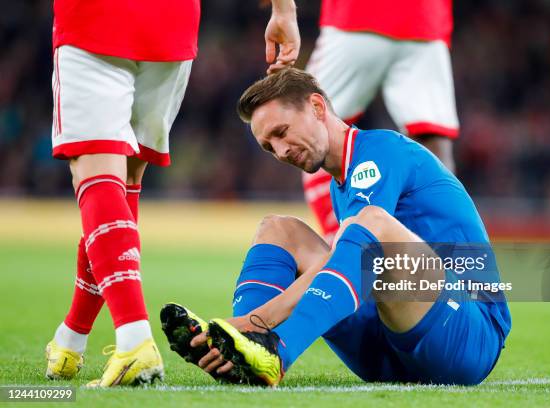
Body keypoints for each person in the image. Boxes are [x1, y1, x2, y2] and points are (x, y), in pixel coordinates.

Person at [162, 68, 510, 386]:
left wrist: (260, 318)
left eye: (281, 133)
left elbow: (365, 247)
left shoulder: (381, 152)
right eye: (269, 146)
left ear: (316, 107)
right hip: (392, 347)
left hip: (467, 334)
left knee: (372, 225)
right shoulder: (340, 182)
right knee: (278, 228)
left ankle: (273, 348)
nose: (280, 152)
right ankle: (239, 357)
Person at [45, 0, 300, 387]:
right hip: (171, 25)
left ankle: (134, 340)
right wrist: (284, 10)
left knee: (97, 178)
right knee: (122, 190)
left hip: (95, 17)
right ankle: (71, 338)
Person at [303, 0, 459, 242]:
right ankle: (449, 256)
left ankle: (345, 252)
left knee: (311, 125)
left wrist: (283, 10)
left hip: (357, 14)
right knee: (432, 143)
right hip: (425, 18)